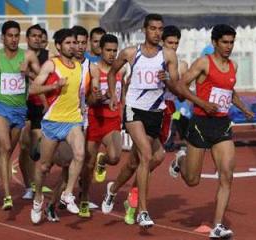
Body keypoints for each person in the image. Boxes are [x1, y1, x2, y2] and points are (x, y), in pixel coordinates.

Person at [169, 24, 254, 238]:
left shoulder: (233, 65)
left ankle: (218, 226)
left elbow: (229, 90)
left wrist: (244, 109)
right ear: (215, 42)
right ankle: (180, 160)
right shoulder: (203, 63)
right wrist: (202, 103)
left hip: (222, 125)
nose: (228, 46)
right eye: (224, 42)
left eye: (231, 42)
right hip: (200, 124)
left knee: (227, 175)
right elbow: (180, 85)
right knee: (192, 180)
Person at [101, 13, 179, 228]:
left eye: (160, 29)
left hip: (156, 112)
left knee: (145, 159)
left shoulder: (169, 55)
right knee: (146, 155)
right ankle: (142, 211)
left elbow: (175, 85)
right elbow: (112, 73)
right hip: (134, 110)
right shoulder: (130, 53)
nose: (157, 33)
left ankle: (113, 189)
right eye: (153, 28)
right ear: (144, 30)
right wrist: (113, 95)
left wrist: (168, 80)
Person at [123, 25, 189, 225]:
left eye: (177, 43)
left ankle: (133, 196)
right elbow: (129, 82)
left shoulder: (181, 64)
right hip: (142, 110)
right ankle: (119, 192)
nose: (174, 46)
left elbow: (180, 93)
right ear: (162, 42)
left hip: (165, 112)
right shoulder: (149, 59)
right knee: (139, 159)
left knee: (155, 157)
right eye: (170, 43)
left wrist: (173, 82)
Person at [0, 20, 41, 210]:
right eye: (10, 36)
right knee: (4, 146)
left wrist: (27, 72)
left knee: (8, 150)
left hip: (20, 110)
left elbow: (42, 77)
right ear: (3, 37)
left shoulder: (27, 56)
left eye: (16, 36)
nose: (13, 39)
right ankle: (7, 196)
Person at [30, 28, 85, 224]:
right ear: (59, 46)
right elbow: (33, 88)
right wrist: (53, 87)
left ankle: (68, 193)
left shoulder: (80, 66)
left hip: (73, 120)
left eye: (75, 43)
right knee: (44, 166)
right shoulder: (51, 64)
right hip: (53, 122)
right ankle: (37, 197)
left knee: (79, 154)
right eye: (69, 43)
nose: (73, 46)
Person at [79, 34, 125, 218]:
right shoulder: (93, 70)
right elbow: (88, 99)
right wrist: (98, 98)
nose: (112, 54)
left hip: (113, 120)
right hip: (94, 120)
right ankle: (83, 197)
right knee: (87, 164)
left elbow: (123, 95)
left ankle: (103, 160)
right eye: (108, 50)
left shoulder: (122, 70)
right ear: (101, 50)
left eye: (115, 50)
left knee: (114, 157)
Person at [18, 24, 50, 200]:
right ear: (27, 39)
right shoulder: (20, 56)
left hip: (41, 105)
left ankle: (37, 181)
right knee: (23, 146)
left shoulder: (49, 58)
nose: (37, 39)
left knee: (37, 146)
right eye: (34, 36)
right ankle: (28, 185)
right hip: (23, 104)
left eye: (40, 36)